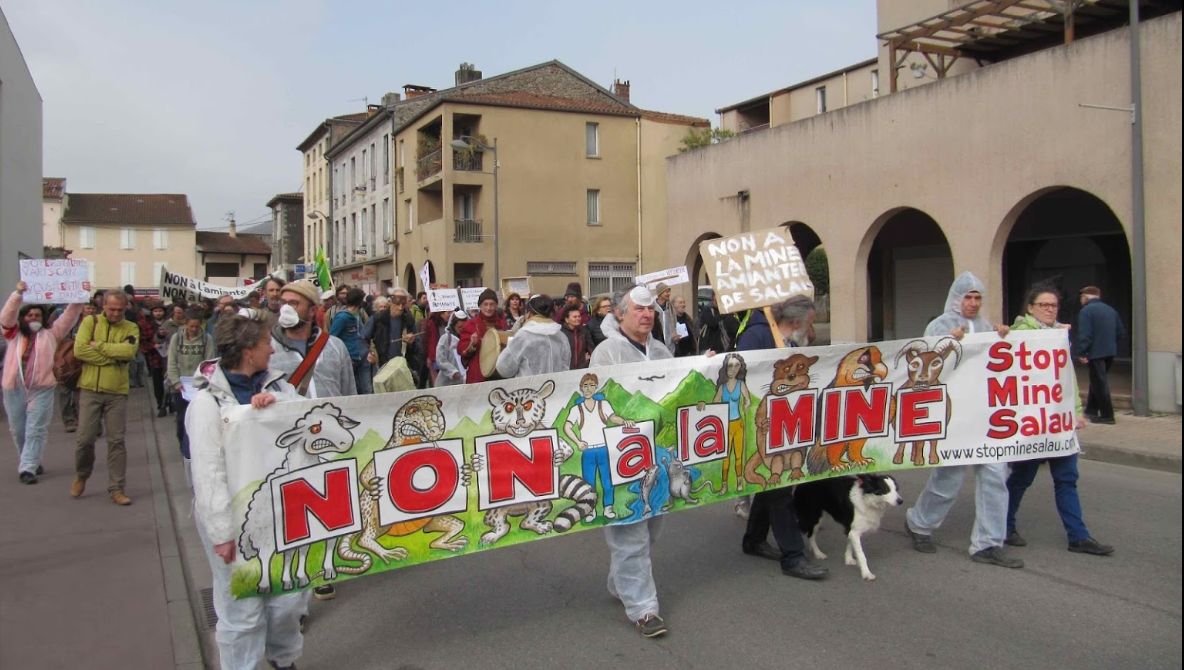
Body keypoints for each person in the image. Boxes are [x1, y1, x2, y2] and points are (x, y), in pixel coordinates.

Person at [187, 312, 305, 670]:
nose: (272, 349)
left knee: (286, 597)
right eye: (266, 343)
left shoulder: (278, 386)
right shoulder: (206, 404)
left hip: (278, 511)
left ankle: (283, 659)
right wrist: (222, 533)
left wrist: (277, 409)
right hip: (235, 520)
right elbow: (208, 472)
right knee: (243, 608)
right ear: (248, 351)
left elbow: (306, 421)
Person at [905, 271, 1022, 568]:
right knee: (949, 476)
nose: (972, 302)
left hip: (985, 415)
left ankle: (988, 543)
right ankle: (920, 523)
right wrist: (945, 342)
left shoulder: (985, 326)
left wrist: (1003, 337)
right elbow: (925, 365)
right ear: (957, 298)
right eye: (968, 297)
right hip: (955, 414)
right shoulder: (939, 326)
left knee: (996, 475)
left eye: (977, 297)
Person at [588, 285, 673, 639]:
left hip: (656, 456)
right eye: (639, 309)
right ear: (621, 314)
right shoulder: (607, 352)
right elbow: (600, 400)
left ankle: (620, 583)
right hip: (620, 457)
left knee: (652, 526)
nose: (647, 314)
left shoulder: (663, 351)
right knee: (630, 532)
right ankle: (643, 608)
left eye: (651, 309)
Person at [1005, 284, 1114, 556]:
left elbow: (1067, 381)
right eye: (1044, 305)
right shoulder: (1018, 335)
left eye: (1053, 305)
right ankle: (1004, 526)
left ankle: (1078, 536)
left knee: (1067, 479)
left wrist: (1076, 411)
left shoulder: (1058, 335)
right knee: (1021, 478)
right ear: (1030, 308)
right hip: (1033, 424)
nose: (1050, 310)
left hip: (1059, 422)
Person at [268, 280, 355, 601]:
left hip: (329, 445)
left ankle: (318, 570)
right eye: (283, 300)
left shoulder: (335, 348)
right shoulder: (267, 348)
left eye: (295, 302)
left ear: (313, 309)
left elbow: (349, 395)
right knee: (291, 514)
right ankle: (290, 598)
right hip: (289, 445)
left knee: (325, 509)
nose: (286, 306)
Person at [737, 296, 829, 580]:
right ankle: (793, 555)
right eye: (810, 323)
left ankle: (753, 540)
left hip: (786, 423)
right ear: (796, 321)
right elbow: (743, 374)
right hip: (763, 425)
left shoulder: (787, 340)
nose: (811, 330)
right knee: (780, 488)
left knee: (773, 488)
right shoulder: (757, 334)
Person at [2, 282, 82, 483]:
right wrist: (18, 294)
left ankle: (27, 468)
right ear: (23, 318)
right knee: (18, 429)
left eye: (37, 315)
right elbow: (6, 317)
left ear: (43, 318)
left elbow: (69, 317)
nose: (33, 318)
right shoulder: (13, 334)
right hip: (14, 388)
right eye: (30, 315)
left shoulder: (52, 334)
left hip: (42, 389)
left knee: (35, 429)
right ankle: (31, 461)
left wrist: (79, 295)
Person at [72, 289, 141, 505]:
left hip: (117, 392)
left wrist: (100, 347)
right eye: (112, 309)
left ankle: (117, 488)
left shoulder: (131, 327)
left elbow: (128, 353)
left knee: (117, 441)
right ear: (104, 306)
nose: (116, 314)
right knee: (85, 439)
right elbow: (80, 351)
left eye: (120, 310)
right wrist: (111, 359)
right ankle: (82, 475)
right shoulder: (89, 323)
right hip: (90, 389)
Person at [562, 372, 628, 522]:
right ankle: (590, 510)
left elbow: (613, 417)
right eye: (585, 386)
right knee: (589, 484)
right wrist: (578, 441)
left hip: (604, 448)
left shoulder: (603, 404)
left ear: (596, 387)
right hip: (588, 451)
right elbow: (567, 426)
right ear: (580, 388)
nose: (588, 389)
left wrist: (624, 421)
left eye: (592, 385)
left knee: (607, 481)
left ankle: (608, 507)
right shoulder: (576, 409)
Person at [166, 307, 215, 460]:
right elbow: (171, 361)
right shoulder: (177, 338)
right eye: (191, 326)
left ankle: (194, 447)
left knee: (198, 418)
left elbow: (209, 362)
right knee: (182, 418)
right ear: (185, 324)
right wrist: (175, 382)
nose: (194, 329)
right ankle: (183, 446)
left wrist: (204, 382)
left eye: (197, 326)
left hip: (198, 385)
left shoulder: (207, 339)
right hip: (180, 385)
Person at [1075, 286, 1124, 425]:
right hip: (1110, 352)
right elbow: (1121, 332)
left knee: (1100, 383)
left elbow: (1086, 334)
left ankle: (1108, 415)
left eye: (1081, 298)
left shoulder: (1086, 311)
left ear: (1085, 297)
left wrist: (1082, 351)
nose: (1080, 300)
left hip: (1095, 353)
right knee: (1097, 381)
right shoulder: (1110, 310)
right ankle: (1091, 410)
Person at [497, 295, 571, 379]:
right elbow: (566, 366)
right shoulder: (561, 336)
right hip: (556, 388)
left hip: (529, 389)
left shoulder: (524, 336)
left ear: (529, 313)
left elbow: (504, 368)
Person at [58, 302, 97, 433]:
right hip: (68, 361)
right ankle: (69, 420)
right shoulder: (72, 322)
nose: (90, 310)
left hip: (88, 361)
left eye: (93, 308)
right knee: (65, 391)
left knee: (85, 393)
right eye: (88, 308)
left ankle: (87, 422)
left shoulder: (99, 323)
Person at [457, 289, 508, 384]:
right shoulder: (471, 325)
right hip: (478, 375)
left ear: (496, 305)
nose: (488, 308)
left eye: (492, 304)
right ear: (480, 306)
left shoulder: (502, 324)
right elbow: (461, 349)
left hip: (500, 375)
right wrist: (472, 345)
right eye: (485, 304)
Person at [330, 288, 372, 395]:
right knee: (352, 391)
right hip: (350, 359)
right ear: (359, 301)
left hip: (363, 357)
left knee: (367, 390)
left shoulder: (359, 315)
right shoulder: (342, 317)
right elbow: (332, 338)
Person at [362, 295, 416, 369]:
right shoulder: (375, 319)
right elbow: (364, 337)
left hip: (399, 362)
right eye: (381, 307)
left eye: (385, 307)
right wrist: (369, 353)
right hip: (381, 362)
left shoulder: (403, 319)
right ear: (376, 308)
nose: (383, 309)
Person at [142, 302, 170, 417]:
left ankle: (170, 402)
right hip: (155, 358)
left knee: (170, 382)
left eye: (160, 311)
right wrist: (152, 346)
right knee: (158, 383)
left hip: (169, 358)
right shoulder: (147, 325)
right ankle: (160, 404)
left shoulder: (169, 323)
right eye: (155, 311)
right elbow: (143, 342)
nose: (158, 313)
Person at [434, 310, 468, 387]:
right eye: (459, 327)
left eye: (464, 327)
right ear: (453, 325)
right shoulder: (446, 338)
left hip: (463, 384)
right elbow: (440, 359)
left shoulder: (468, 340)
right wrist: (453, 372)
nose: (462, 329)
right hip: (446, 384)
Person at [560, 303, 595, 370]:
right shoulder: (561, 333)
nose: (578, 318)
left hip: (582, 369)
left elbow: (591, 348)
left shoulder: (584, 331)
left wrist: (589, 359)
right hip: (565, 370)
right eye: (575, 317)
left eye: (579, 316)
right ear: (567, 319)